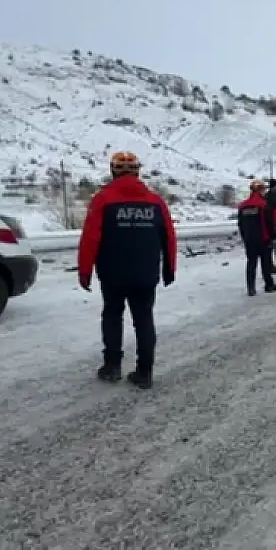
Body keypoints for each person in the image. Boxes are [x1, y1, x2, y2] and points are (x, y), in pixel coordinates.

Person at [78, 151, 177, 390]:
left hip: (112, 273)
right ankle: (145, 371)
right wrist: (169, 268)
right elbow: (169, 237)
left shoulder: (102, 199)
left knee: (112, 315)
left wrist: (85, 271)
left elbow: (90, 237)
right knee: (144, 319)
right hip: (146, 273)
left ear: (113, 171)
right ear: (137, 171)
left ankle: (112, 367)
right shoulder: (156, 202)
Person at [238, 179, 276, 296]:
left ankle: (251, 288)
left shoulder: (243, 206)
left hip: (249, 239)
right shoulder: (263, 205)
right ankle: (269, 284)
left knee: (251, 263)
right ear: (260, 190)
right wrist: (273, 237)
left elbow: (240, 224)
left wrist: (244, 237)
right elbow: (269, 222)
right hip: (263, 238)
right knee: (265, 262)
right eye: (263, 189)